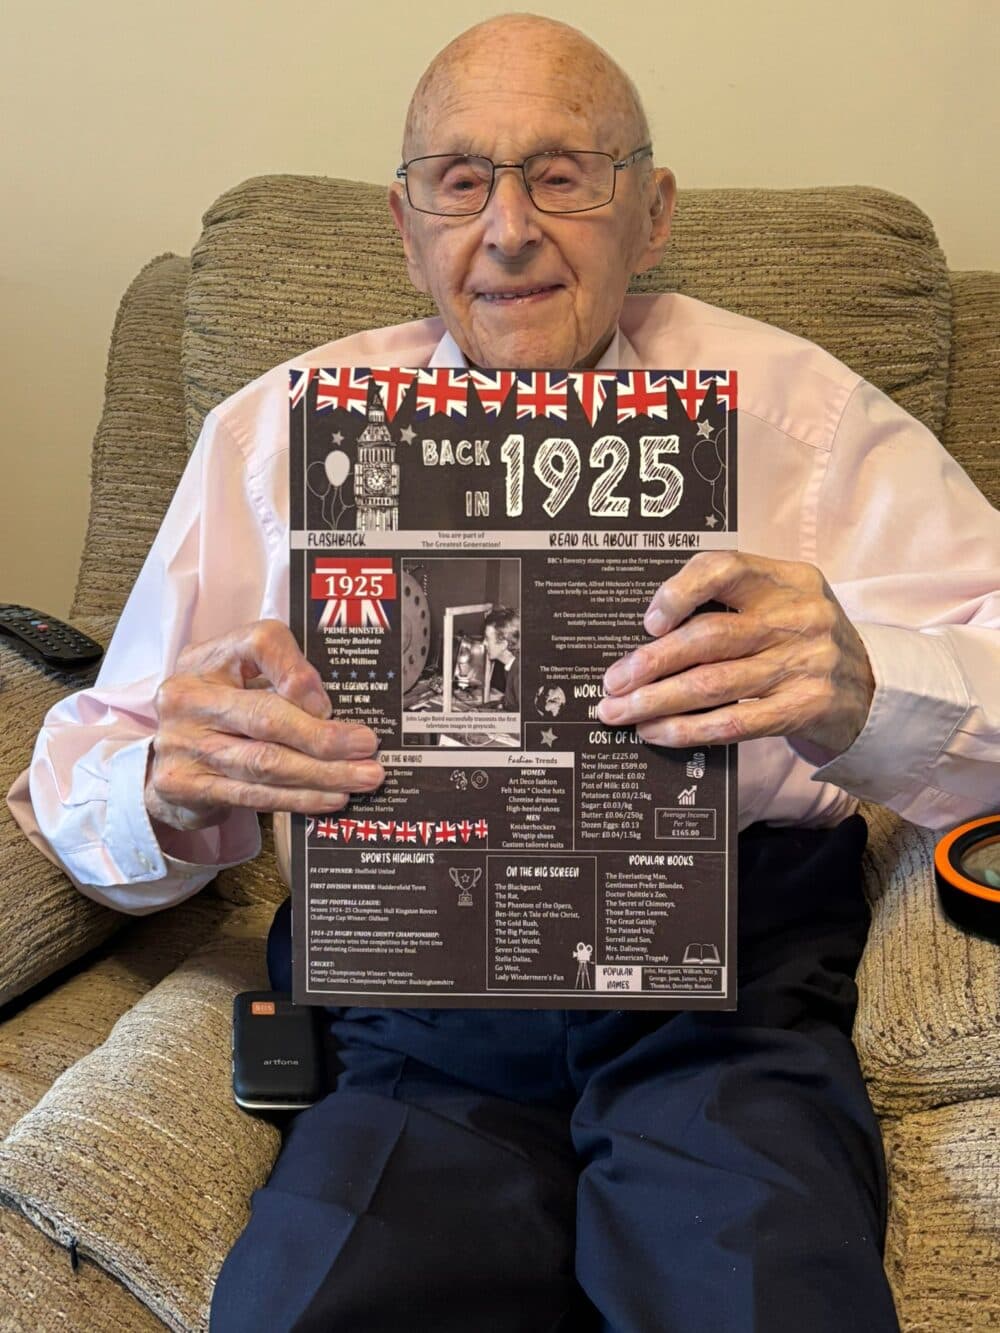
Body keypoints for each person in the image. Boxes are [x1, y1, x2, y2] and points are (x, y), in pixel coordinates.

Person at [7, 13, 1000, 1332]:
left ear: (650, 213)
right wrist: (169, 783)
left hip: (726, 976)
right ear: (408, 222)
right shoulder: (278, 433)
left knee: (762, 1296)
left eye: (563, 173)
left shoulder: (805, 421)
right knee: (320, 1301)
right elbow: (78, 786)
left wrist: (869, 686)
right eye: (462, 180)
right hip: (418, 999)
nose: (512, 226)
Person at [483, 605, 521, 711]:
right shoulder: (512, 665)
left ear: (504, 644)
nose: (484, 643)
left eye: (487, 638)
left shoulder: (519, 675)